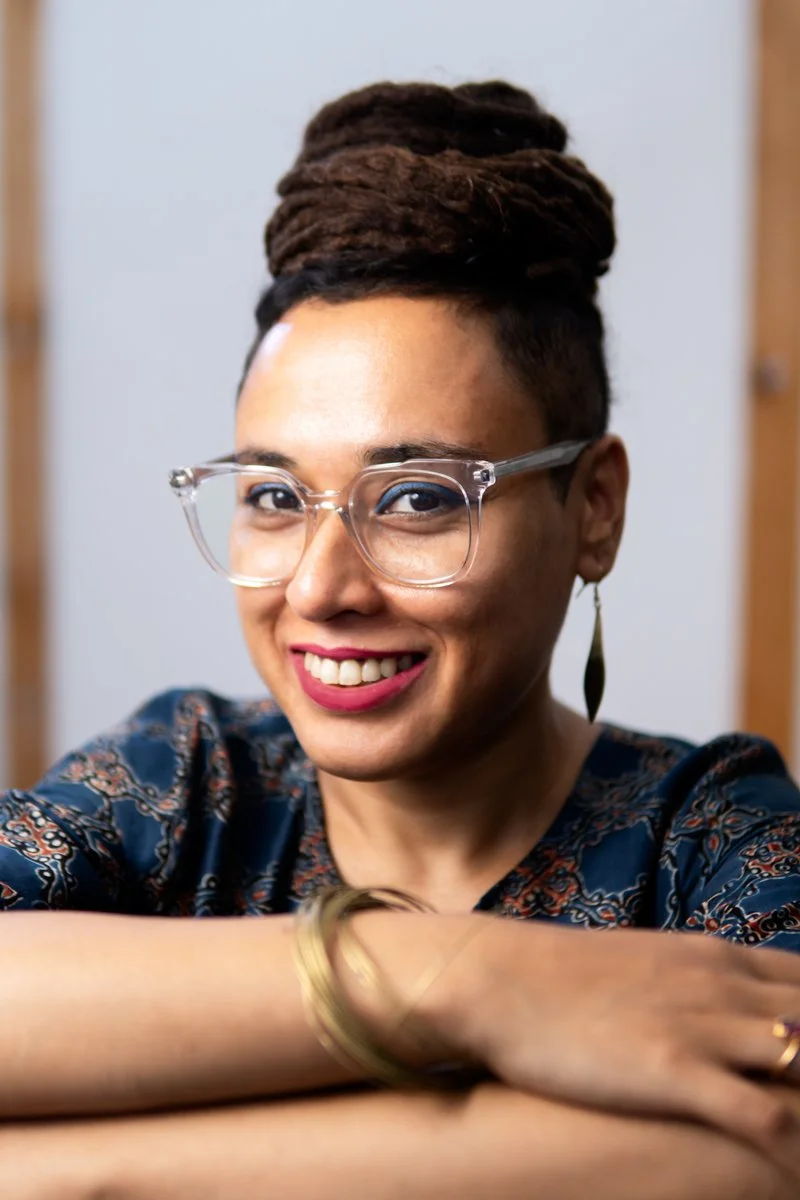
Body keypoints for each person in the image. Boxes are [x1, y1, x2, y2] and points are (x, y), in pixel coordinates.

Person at [0, 80, 799, 1199]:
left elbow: (761, 1152)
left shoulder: (714, 844)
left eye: (420, 499)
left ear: (593, 507)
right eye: (274, 497)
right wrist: (468, 977)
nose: (321, 589)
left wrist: (68, 1175)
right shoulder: (182, 786)